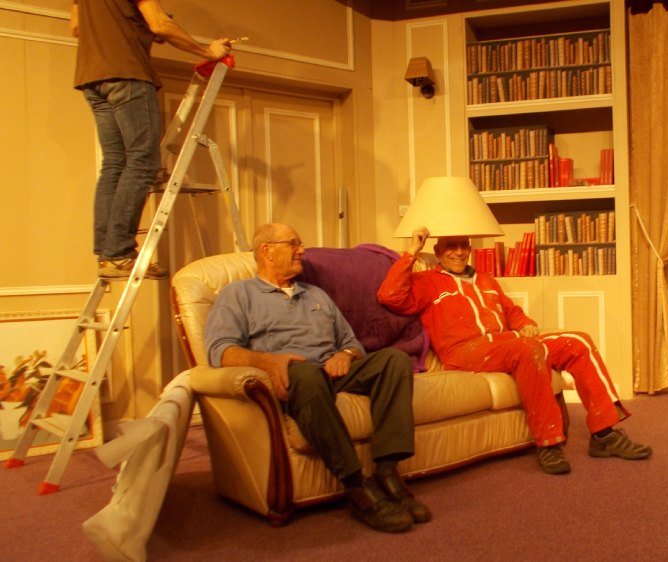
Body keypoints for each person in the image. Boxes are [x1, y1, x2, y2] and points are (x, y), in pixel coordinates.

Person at [204, 223, 430, 533]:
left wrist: (345, 355)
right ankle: (356, 485)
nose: (302, 250)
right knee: (306, 374)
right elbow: (219, 350)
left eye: (300, 243)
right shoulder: (238, 294)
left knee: (394, 360)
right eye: (293, 243)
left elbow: (352, 343)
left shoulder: (315, 294)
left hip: (333, 370)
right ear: (267, 251)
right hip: (294, 376)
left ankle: (388, 471)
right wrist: (267, 361)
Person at [377, 226, 652, 475]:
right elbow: (390, 296)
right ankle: (548, 442)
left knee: (578, 342)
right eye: (451, 246)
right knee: (528, 349)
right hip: (464, 351)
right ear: (438, 251)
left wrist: (525, 323)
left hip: (506, 342)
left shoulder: (486, 280)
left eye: (464, 245)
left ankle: (604, 434)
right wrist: (412, 252)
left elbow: (511, 311)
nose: (459, 252)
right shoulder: (426, 282)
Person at [70, 0, 232, 278]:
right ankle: (119, 253)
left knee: (114, 163)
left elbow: (76, 28)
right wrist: (208, 51)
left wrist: (138, 26)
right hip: (127, 73)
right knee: (142, 162)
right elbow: (160, 24)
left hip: (92, 78)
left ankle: (108, 255)